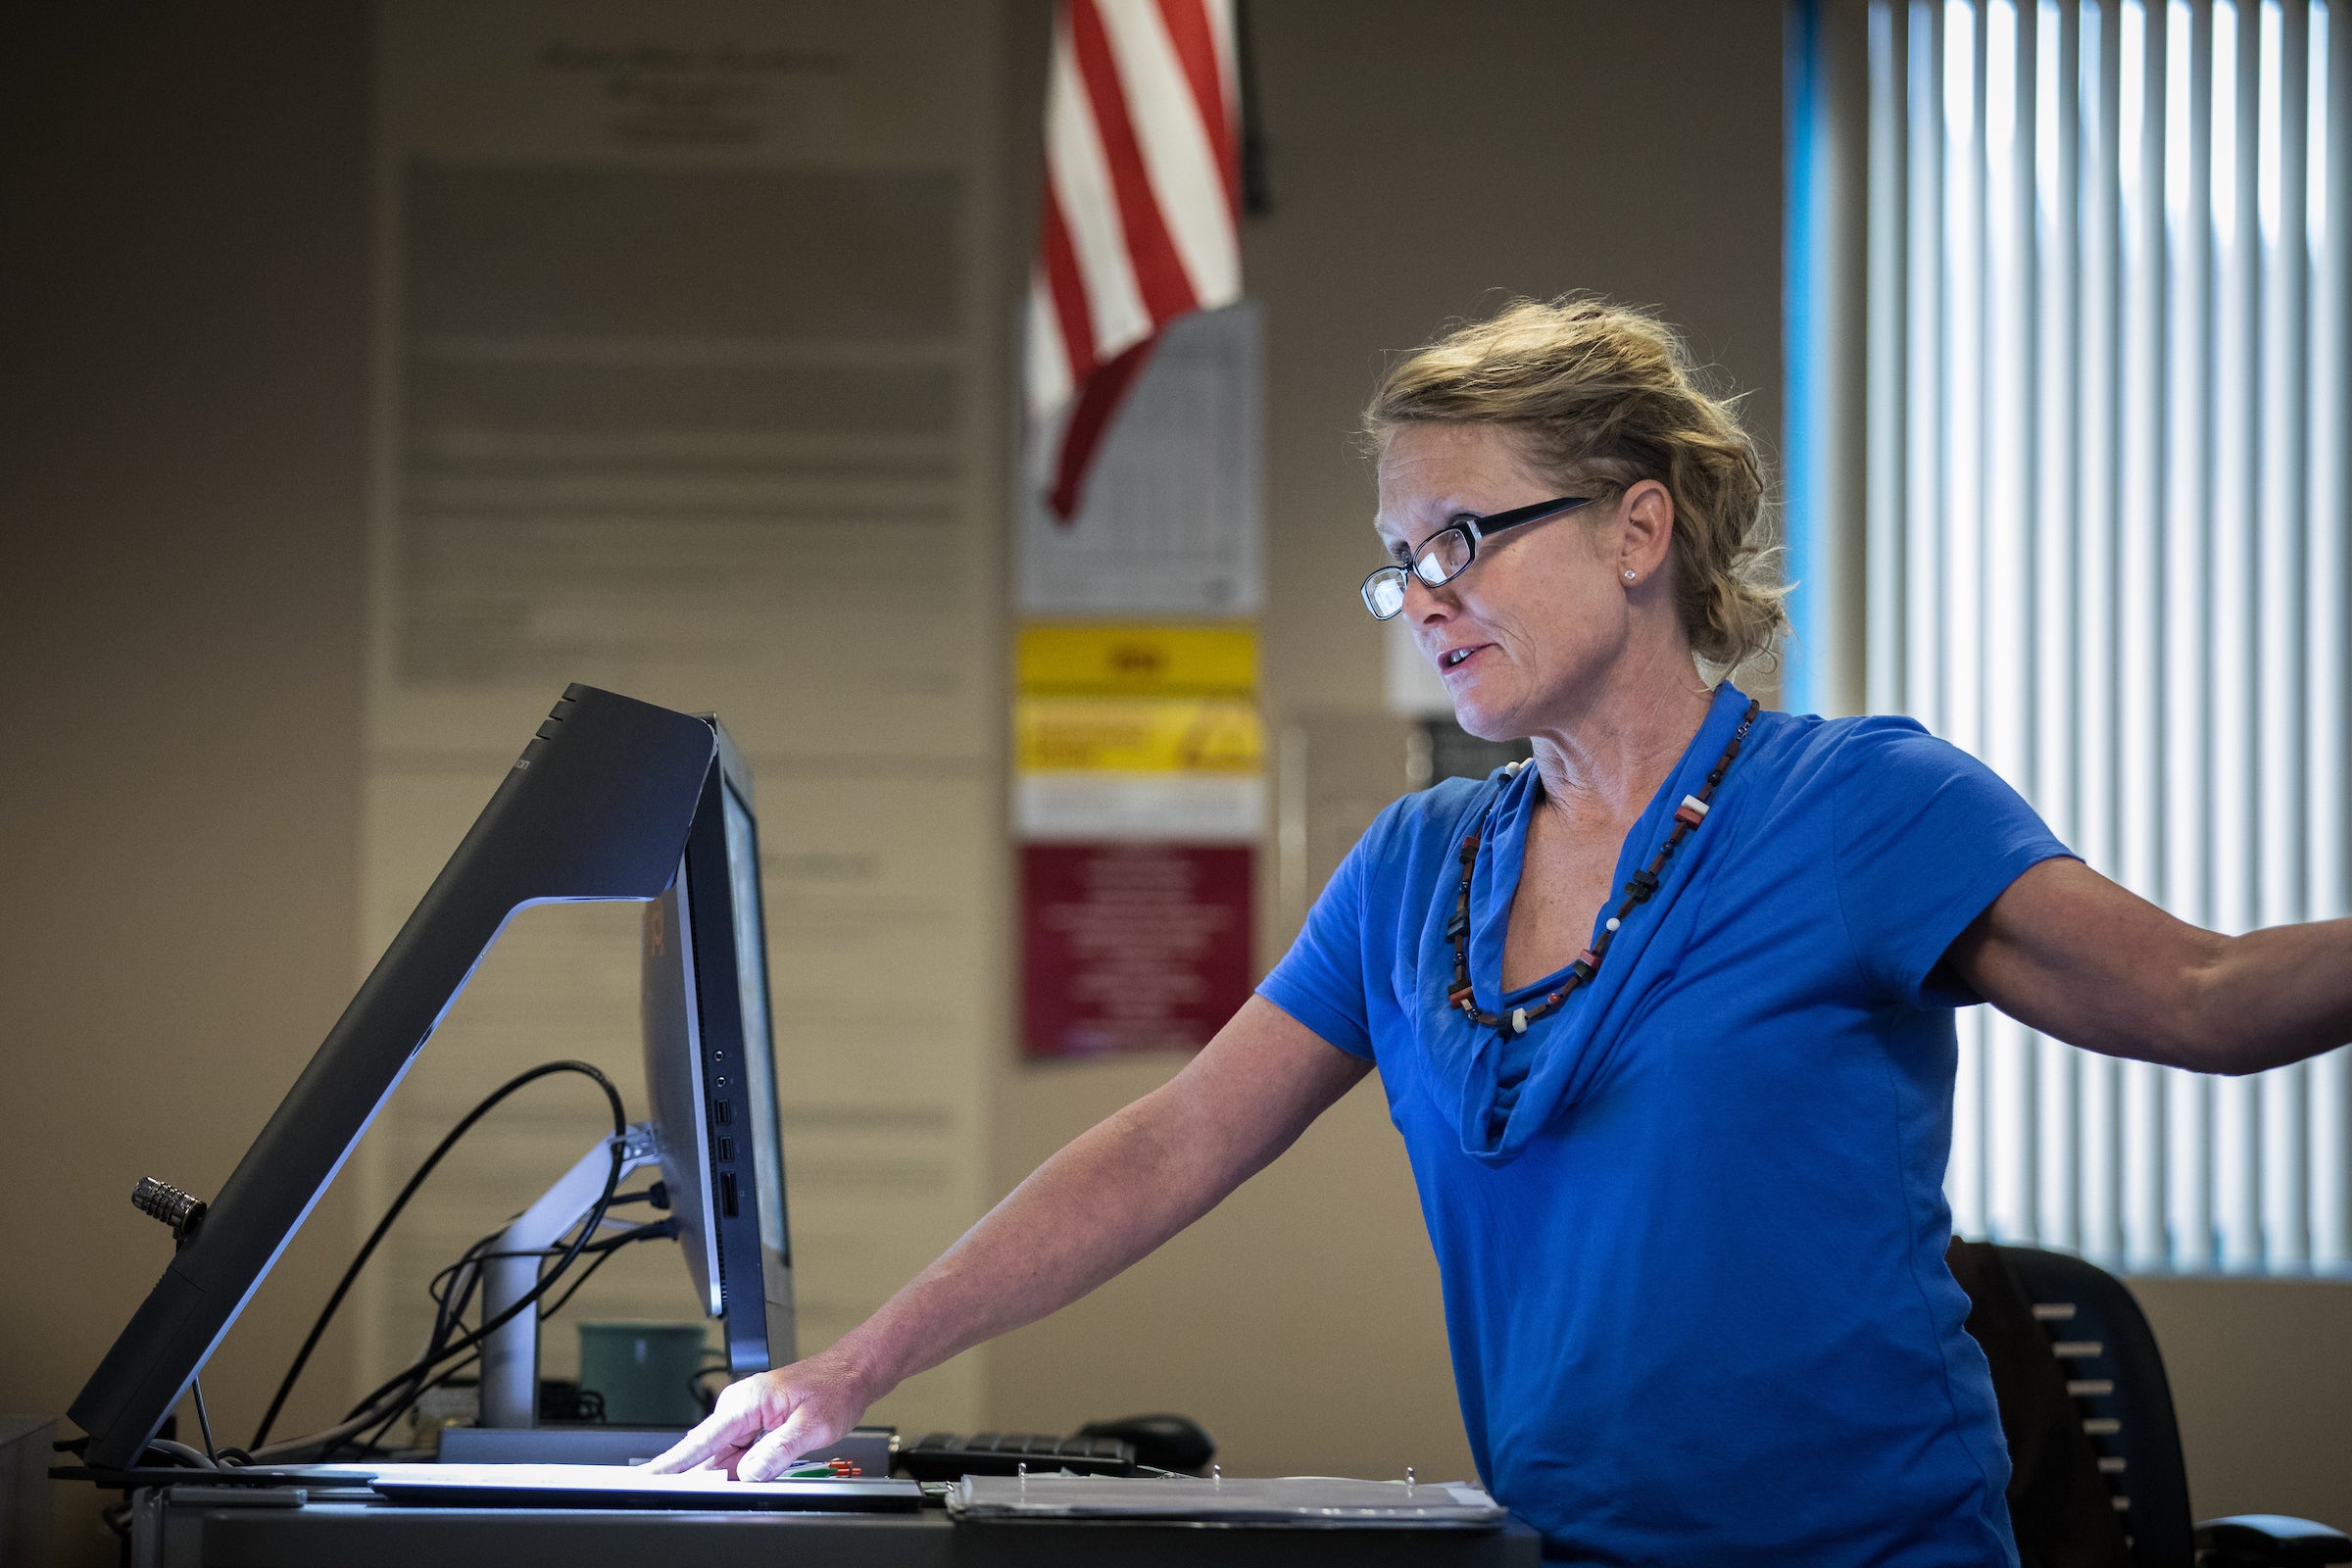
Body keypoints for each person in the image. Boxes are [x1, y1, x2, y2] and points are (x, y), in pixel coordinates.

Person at [651, 297, 2352, 1564]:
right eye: (1400, 562)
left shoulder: (1860, 808)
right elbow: (1172, 1144)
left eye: (1462, 537)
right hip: (1559, 1555)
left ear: (1635, 528)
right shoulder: (1415, 867)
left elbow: (2203, 997)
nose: (1426, 595)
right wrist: (846, 1369)